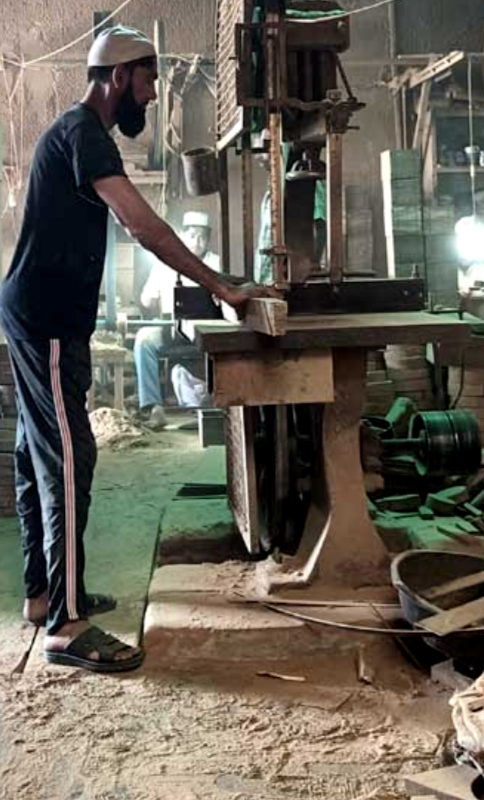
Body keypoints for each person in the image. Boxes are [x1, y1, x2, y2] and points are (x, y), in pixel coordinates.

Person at [0, 25, 270, 673]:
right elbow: (141, 224)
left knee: (39, 454)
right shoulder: (84, 135)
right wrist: (221, 285)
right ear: (118, 77)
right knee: (69, 458)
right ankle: (66, 625)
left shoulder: (75, 132)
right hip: (48, 321)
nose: (149, 99)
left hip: (38, 314)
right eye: (147, 83)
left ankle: (44, 594)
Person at [134, 211, 218, 429]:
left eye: (202, 237)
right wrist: (151, 297)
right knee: (144, 340)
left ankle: (211, 405)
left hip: (206, 332)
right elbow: (146, 298)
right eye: (192, 235)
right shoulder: (165, 263)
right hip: (172, 330)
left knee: (226, 340)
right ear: (182, 236)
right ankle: (154, 408)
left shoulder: (216, 263)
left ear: (208, 239)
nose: (197, 242)